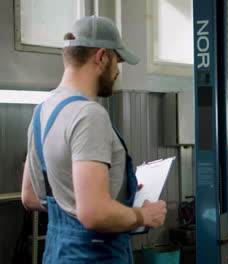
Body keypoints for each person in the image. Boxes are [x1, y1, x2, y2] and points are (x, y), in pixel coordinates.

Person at [21, 16, 167, 263]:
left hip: (58, 252)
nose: (117, 71)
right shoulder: (89, 115)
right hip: (94, 254)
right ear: (101, 57)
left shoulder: (43, 110)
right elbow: (94, 213)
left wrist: (109, 193)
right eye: (117, 60)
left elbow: (31, 197)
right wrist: (144, 216)